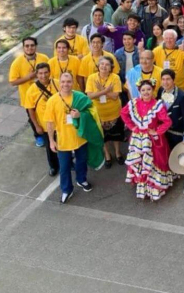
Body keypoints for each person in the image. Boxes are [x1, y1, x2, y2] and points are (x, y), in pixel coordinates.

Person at [45, 72, 102, 203]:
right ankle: (66, 190)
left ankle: (81, 179)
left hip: (80, 138)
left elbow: (92, 112)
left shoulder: (80, 97)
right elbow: (49, 122)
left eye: (69, 81)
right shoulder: (52, 101)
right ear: (59, 83)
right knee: (64, 167)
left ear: (73, 83)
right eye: (63, 81)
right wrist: (51, 140)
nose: (66, 84)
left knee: (81, 161)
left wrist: (80, 115)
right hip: (63, 140)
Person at [121, 79, 174, 201]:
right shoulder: (134, 103)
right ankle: (143, 185)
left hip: (152, 140)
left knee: (155, 163)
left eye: (149, 89)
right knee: (140, 163)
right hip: (138, 139)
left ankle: (155, 187)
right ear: (139, 91)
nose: (146, 92)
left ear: (153, 90)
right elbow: (123, 113)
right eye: (143, 90)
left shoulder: (157, 105)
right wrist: (132, 126)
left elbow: (167, 121)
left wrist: (156, 131)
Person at [157, 69, 184, 194]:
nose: (165, 82)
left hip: (178, 132)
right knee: (169, 155)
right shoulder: (160, 91)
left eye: (168, 79)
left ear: (173, 80)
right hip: (165, 132)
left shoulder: (182, 96)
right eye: (163, 79)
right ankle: (173, 174)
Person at [85, 57, 125, 168]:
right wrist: (106, 90)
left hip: (114, 112)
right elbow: (90, 96)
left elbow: (115, 96)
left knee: (116, 135)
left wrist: (101, 91)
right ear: (98, 66)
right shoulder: (92, 78)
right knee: (104, 137)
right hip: (99, 114)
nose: (104, 66)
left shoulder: (115, 77)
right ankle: (107, 154)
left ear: (111, 67)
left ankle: (117, 152)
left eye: (107, 64)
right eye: (101, 64)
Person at [9, 37, 50, 147]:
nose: (29, 48)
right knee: (33, 118)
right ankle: (38, 136)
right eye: (27, 46)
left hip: (46, 94)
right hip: (29, 97)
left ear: (36, 46)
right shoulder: (17, 63)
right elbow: (13, 82)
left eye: (32, 45)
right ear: (23, 48)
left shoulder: (44, 58)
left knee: (48, 115)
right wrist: (29, 77)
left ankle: (50, 134)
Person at [24, 63, 59, 175]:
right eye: (40, 73)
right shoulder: (31, 90)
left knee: (64, 145)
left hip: (61, 123)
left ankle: (68, 163)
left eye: (45, 73)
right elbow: (30, 110)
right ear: (36, 74)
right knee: (50, 147)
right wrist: (36, 126)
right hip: (45, 125)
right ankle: (53, 166)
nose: (43, 76)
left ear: (50, 72)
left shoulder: (57, 83)